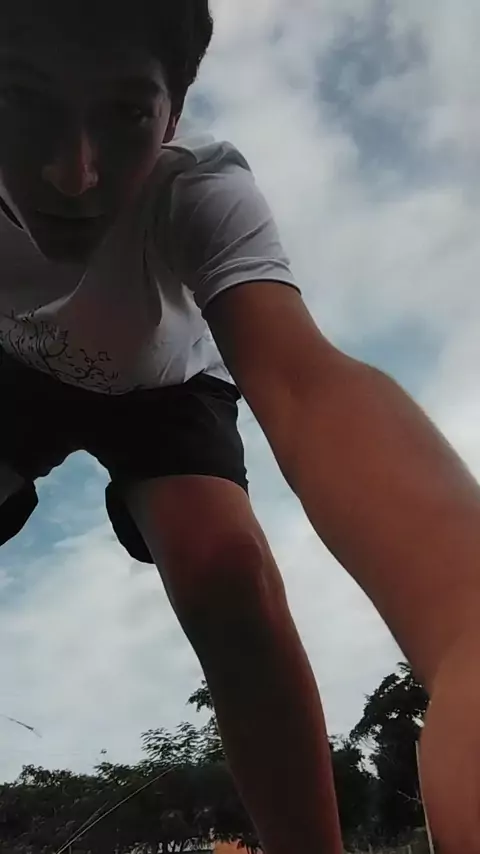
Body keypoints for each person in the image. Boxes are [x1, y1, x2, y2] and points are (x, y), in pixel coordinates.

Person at [0, 2, 478, 852]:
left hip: (165, 388)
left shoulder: (199, 188)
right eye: (22, 103)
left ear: (173, 114)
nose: (74, 174)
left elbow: (303, 383)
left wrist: (465, 632)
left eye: (125, 114)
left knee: (228, 570)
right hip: (12, 374)